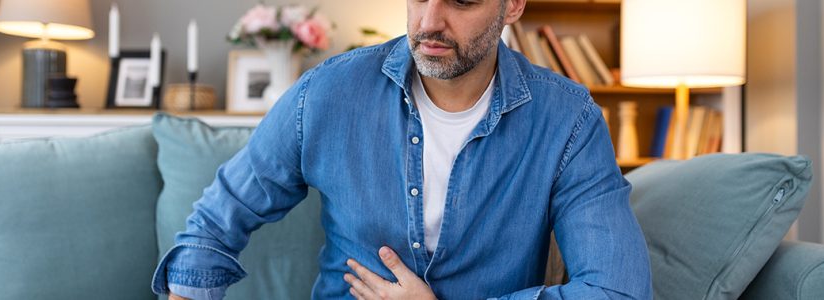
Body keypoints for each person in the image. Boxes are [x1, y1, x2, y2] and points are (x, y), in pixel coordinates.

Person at [152, 0, 652, 299]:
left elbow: (618, 290)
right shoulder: (327, 94)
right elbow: (215, 225)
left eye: (460, 1)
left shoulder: (567, 119)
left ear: (513, 5)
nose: (430, 21)